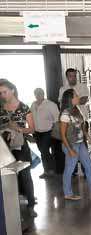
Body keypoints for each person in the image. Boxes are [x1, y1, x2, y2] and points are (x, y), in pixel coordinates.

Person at [59, 89, 91, 201]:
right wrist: (70, 149)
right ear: (70, 99)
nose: (78, 96)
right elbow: (62, 135)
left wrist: (86, 135)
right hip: (71, 145)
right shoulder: (65, 114)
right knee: (69, 169)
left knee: (89, 167)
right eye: (76, 95)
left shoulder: (76, 109)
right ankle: (67, 193)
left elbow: (81, 125)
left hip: (80, 143)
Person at [0, 79, 37, 218]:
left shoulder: (24, 108)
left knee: (25, 175)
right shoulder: (1, 108)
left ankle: (31, 204)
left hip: (21, 146)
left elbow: (32, 129)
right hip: (4, 148)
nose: (3, 95)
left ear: (12, 90)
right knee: (8, 177)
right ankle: (12, 206)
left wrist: (18, 128)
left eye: (5, 92)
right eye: (0, 93)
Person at [30, 88, 59, 178]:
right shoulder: (33, 105)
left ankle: (51, 170)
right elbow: (31, 119)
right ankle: (47, 170)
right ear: (35, 94)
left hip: (48, 132)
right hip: (37, 133)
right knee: (42, 151)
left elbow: (57, 119)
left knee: (44, 151)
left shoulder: (50, 104)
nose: (38, 95)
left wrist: (54, 131)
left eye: (40, 93)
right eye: (37, 93)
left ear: (43, 94)